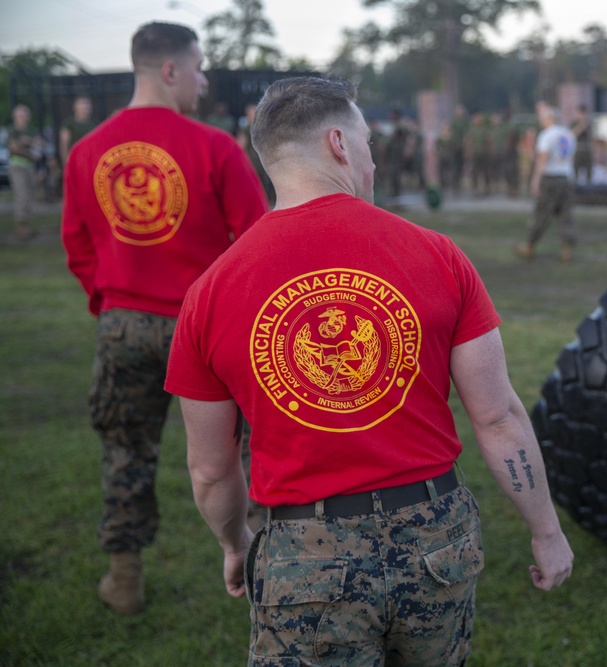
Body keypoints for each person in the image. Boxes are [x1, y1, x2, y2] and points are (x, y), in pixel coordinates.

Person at [163, 76, 573, 665]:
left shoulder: (209, 292)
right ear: (338, 143)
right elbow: (499, 415)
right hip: (437, 539)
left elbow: (209, 470)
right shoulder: (438, 254)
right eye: (367, 143)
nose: (373, 161)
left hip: (303, 556)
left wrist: (235, 544)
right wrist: (546, 531)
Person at [60, 21, 267, 616]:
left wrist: (110, 305)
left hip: (123, 324)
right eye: (199, 68)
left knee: (127, 450)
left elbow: (77, 245)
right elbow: (255, 242)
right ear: (170, 70)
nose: (203, 81)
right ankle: (265, 572)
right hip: (202, 327)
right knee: (245, 449)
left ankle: (125, 580)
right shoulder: (215, 147)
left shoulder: (86, 151)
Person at [514, 103, 576, 262]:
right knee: (565, 215)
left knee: (541, 214)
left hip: (550, 178)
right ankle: (566, 249)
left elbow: (542, 159)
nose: (540, 121)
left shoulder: (547, 135)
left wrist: (535, 180)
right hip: (566, 178)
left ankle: (529, 246)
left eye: (542, 118)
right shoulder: (568, 134)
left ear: (549, 119)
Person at [7, 104, 45, 240]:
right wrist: (30, 150)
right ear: (15, 116)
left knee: (29, 195)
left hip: (30, 167)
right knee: (22, 194)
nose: (23, 117)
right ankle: (21, 226)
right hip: (17, 166)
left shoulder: (32, 130)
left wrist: (25, 142)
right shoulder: (13, 130)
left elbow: (41, 144)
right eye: (20, 114)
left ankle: (25, 225)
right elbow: (14, 148)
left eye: (25, 114)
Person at [237, 101, 275, 204]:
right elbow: (241, 145)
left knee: (262, 184)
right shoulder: (247, 129)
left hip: (261, 161)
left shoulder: (261, 128)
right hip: (254, 161)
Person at [60, 96, 97, 169]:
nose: (85, 107)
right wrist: (66, 163)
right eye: (82, 104)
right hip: (75, 161)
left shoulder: (94, 124)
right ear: (75, 107)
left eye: (87, 104)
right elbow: (64, 145)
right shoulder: (69, 124)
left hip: (90, 162)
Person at [570, 104, 593, 184]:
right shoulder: (573, 123)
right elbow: (572, 135)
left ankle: (589, 186)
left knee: (589, 170)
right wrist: (580, 127)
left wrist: (586, 128)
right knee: (576, 169)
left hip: (586, 149)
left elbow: (592, 137)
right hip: (577, 149)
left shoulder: (588, 124)